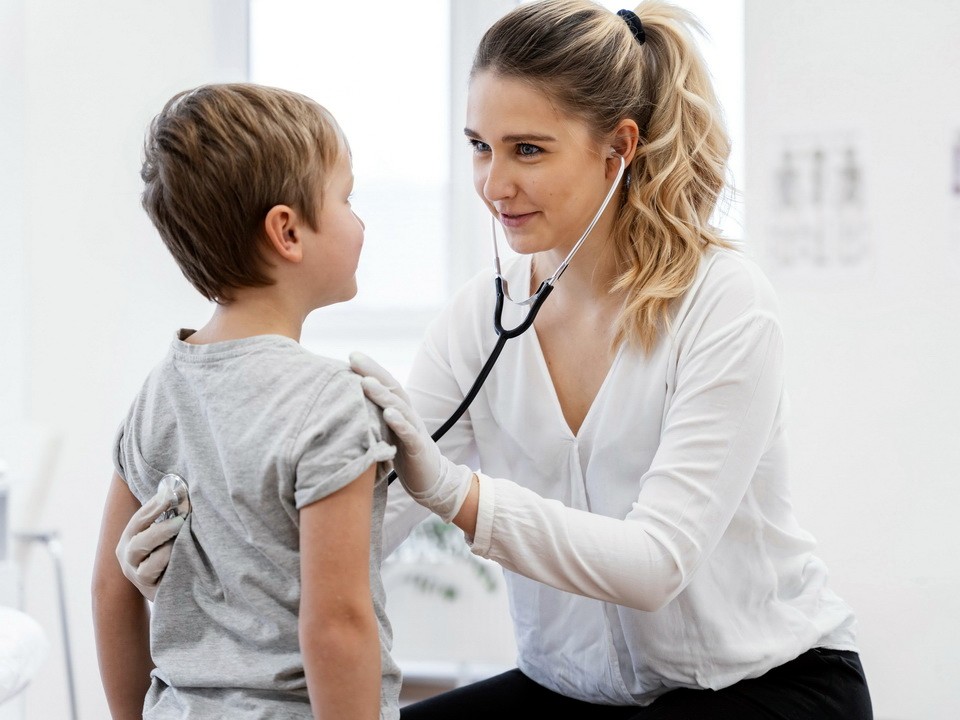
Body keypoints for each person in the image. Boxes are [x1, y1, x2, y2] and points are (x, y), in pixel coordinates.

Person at [117, 2, 875, 718]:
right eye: (480, 147)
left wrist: (458, 493)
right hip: (571, 693)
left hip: (762, 688)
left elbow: (656, 565)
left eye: (528, 150)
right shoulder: (480, 318)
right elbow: (360, 531)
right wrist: (194, 560)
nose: (493, 184)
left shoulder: (724, 302)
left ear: (618, 149)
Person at [91, 83, 399, 720]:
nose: (361, 221)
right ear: (287, 231)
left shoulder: (159, 391)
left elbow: (109, 590)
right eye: (346, 198)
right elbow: (338, 626)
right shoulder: (332, 404)